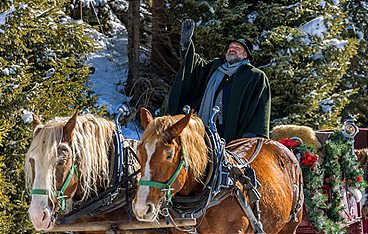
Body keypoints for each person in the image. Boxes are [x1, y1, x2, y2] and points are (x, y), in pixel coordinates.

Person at [168, 19, 271, 143]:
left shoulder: (254, 76)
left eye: (237, 48)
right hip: (203, 127)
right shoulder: (215, 67)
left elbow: (261, 107)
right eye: (230, 47)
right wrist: (186, 44)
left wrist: (252, 134)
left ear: (245, 55)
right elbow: (193, 67)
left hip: (232, 132)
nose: (232, 49)